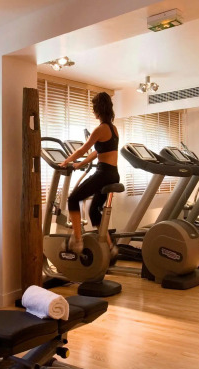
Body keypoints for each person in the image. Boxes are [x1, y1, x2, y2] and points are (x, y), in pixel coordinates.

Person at [59, 92, 119, 254]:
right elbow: (97, 152)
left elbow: (83, 150)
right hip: (113, 174)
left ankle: (77, 240)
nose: (93, 111)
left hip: (103, 173)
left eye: (94, 108)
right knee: (94, 210)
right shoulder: (113, 129)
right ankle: (111, 247)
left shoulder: (100, 129)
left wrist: (65, 161)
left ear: (98, 110)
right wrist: (79, 164)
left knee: (73, 199)